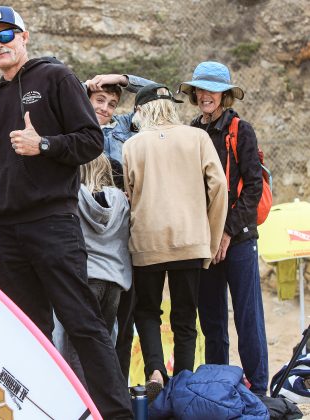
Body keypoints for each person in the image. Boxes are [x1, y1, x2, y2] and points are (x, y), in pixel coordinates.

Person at [0, 6, 132, 418]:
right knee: (27, 333)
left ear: (24, 36)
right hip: (5, 233)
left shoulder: (56, 77)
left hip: (51, 222)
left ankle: (116, 414)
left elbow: (90, 141)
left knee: (83, 324)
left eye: (4, 35)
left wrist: (43, 144)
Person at [122, 83, 227, 398]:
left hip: (146, 241)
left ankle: (155, 368)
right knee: (185, 314)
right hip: (189, 239)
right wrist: (209, 236)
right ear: (172, 107)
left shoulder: (132, 145)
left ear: (142, 111)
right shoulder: (198, 138)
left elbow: (129, 194)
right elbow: (219, 185)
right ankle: (182, 384)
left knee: (147, 310)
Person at [178, 61, 269, 395]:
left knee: (248, 320)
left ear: (224, 95)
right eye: (200, 89)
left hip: (240, 239)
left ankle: (259, 391)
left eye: (212, 90)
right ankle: (220, 390)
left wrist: (227, 232)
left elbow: (253, 187)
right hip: (204, 241)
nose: (205, 96)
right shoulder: (191, 132)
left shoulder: (241, 130)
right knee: (212, 321)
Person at [84, 73, 154, 382]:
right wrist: (86, 86)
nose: (106, 109)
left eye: (112, 104)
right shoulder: (72, 125)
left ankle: (118, 390)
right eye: (100, 100)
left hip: (121, 227)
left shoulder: (122, 128)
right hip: (83, 225)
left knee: (122, 320)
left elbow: (155, 94)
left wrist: (122, 78)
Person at [53, 154, 132, 388]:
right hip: (114, 284)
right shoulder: (121, 200)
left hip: (85, 280)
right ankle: (105, 402)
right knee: (104, 348)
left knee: (75, 348)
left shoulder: (71, 199)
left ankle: (82, 403)